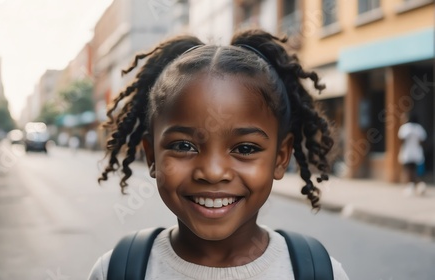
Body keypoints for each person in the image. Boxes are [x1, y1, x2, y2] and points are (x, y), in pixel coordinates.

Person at [90, 29, 348, 279]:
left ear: (280, 158)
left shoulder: (320, 272)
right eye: (183, 146)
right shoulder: (116, 271)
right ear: (152, 156)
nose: (213, 172)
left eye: (245, 149)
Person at [398, 112, 427, 196]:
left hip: (408, 152)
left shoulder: (405, 128)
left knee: (408, 169)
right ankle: (420, 185)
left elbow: (401, 140)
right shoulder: (419, 128)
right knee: (416, 170)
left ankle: (410, 186)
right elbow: (422, 141)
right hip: (417, 152)